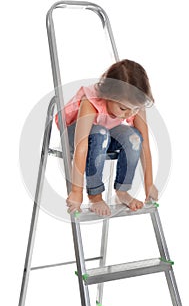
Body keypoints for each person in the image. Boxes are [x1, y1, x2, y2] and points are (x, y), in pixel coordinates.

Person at [57, 59, 158, 216]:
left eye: (135, 109)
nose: (130, 114)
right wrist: (76, 191)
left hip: (105, 135)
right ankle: (95, 196)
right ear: (108, 96)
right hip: (75, 134)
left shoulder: (133, 105)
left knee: (135, 138)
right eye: (123, 108)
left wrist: (149, 183)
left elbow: (144, 145)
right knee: (101, 134)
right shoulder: (91, 101)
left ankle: (122, 191)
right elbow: (81, 145)